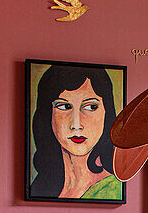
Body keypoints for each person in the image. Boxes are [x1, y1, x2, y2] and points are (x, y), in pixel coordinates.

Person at [29, 65, 122, 200]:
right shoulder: (39, 187)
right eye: (65, 107)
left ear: (107, 113)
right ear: (48, 115)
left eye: (91, 107)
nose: (76, 125)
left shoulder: (114, 189)